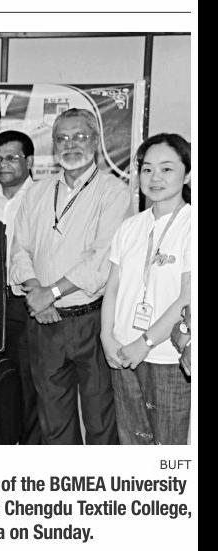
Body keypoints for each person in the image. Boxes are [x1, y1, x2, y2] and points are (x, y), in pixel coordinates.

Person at [10, 108, 132, 445]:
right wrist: (37, 294)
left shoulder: (114, 192)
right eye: (62, 138)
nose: (70, 144)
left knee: (100, 419)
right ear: (53, 145)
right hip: (43, 322)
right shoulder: (36, 192)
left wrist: (50, 293)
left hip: (92, 320)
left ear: (95, 140)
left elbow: (102, 259)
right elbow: (19, 251)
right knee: (53, 421)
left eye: (79, 136)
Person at [101, 133, 191, 445]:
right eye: (147, 169)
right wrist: (106, 336)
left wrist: (146, 342)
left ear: (187, 174)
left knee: (168, 447)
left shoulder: (191, 225)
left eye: (166, 169)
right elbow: (112, 288)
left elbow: (187, 297)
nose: (154, 177)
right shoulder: (129, 227)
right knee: (133, 443)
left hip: (167, 357)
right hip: (123, 353)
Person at [0, 130, 40, 444]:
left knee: (28, 377)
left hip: (24, 298)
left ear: (30, 161)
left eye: (12, 158)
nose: (3, 164)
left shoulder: (42, 197)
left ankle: (29, 446)